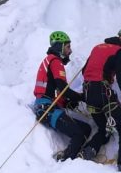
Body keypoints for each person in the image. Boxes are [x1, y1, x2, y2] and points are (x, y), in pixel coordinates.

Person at [82, 27, 121, 172]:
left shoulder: (97, 47)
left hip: (88, 94)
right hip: (103, 92)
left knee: (103, 128)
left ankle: (90, 149)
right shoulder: (119, 51)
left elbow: (84, 71)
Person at [33, 30, 94, 162]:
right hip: (47, 109)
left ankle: (75, 154)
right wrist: (82, 97)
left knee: (86, 128)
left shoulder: (48, 61)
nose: (70, 51)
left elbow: (54, 91)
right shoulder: (55, 62)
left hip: (47, 107)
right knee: (78, 134)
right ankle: (65, 160)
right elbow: (63, 89)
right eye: (67, 47)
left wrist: (65, 103)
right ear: (59, 47)